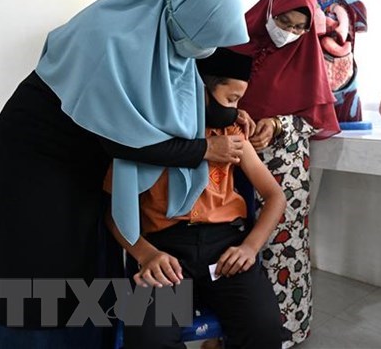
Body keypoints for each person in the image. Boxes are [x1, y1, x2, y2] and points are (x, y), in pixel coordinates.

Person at [0, 0, 252, 349]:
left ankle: (92, 340)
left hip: (91, 158)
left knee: (97, 259)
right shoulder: (109, 42)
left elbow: (185, 99)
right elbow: (127, 140)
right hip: (37, 156)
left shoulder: (163, 36)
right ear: (187, 17)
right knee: (41, 265)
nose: (203, 53)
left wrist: (230, 115)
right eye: (203, 39)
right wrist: (205, 149)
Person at [103, 48, 285, 349]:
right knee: (148, 339)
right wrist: (146, 255)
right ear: (198, 89)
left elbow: (274, 195)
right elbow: (114, 212)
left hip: (225, 250)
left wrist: (250, 248)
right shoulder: (145, 136)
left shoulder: (232, 134)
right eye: (231, 99)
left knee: (263, 329)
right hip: (165, 252)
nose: (238, 109)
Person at [229, 0, 340, 348]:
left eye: (298, 27)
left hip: (286, 162)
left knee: (283, 244)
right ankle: (234, 328)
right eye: (282, 21)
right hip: (231, 157)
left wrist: (277, 124)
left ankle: (288, 328)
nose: (288, 32)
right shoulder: (236, 41)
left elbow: (316, 118)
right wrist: (236, 119)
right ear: (270, 7)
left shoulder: (308, 56)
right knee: (234, 239)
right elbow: (212, 93)